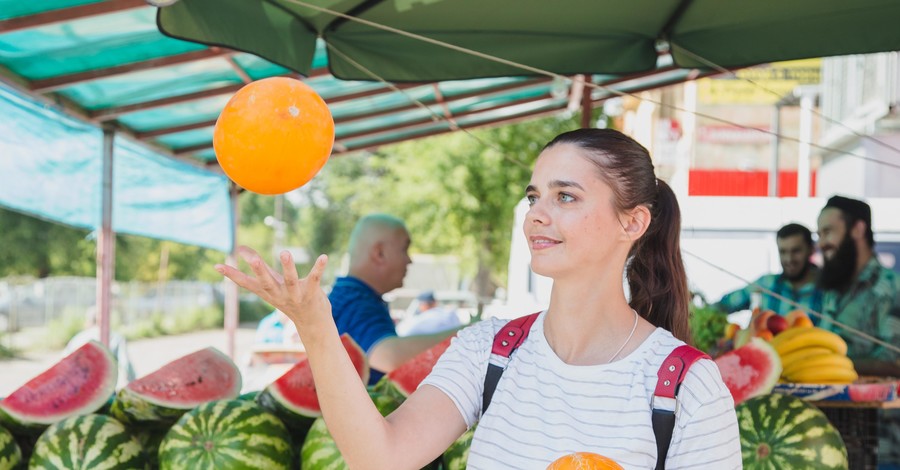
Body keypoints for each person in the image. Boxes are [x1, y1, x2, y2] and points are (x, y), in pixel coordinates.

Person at [215, 129, 741, 468]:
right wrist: (315, 328)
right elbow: (381, 459)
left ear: (634, 221)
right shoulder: (489, 351)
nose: (535, 213)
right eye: (534, 196)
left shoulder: (687, 386)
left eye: (566, 196)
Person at [815, 195, 900, 470]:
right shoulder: (832, 289)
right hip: (830, 438)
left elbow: (894, 362)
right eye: (819, 233)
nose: (822, 242)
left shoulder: (891, 288)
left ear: (858, 230)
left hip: (883, 446)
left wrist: (825, 366)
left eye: (828, 231)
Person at [325, 214, 458, 385]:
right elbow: (388, 358)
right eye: (404, 249)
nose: (409, 260)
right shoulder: (355, 300)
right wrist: (465, 334)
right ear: (379, 253)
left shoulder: (355, 296)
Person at [715, 223, 824, 318]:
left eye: (796, 251)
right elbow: (725, 305)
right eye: (783, 252)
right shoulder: (766, 283)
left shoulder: (827, 291)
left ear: (811, 250)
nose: (789, 259)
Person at [64, 307, 136, 390]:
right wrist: (134, 386)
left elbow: (63, 365)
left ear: (88, 321)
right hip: (107, 390)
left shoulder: (77, 339)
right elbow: (126, 364)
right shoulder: (116, 337)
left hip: (79, 389)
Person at [395, 290, 463, 336]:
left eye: (421, 304)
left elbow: (401, 333)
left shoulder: (420, 319)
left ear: (424, 305)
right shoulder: (450, 314)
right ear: (435, 302)